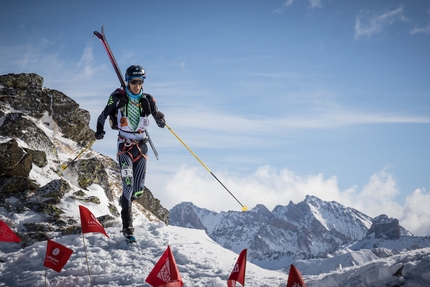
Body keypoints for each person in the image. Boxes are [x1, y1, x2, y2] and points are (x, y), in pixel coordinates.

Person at [94, 65, 165, 242]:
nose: (137, 85)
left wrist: (161, 120)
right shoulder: (117, 97)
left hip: (141, 147)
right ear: (128, 81)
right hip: (124, 147)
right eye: (133, 81)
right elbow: (103, 115)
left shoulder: (147, 99)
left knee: (137, 191)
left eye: (140, 82)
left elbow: (157, 115)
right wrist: (99, 130)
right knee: (127, 184)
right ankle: (128, 228)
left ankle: (125, 201)